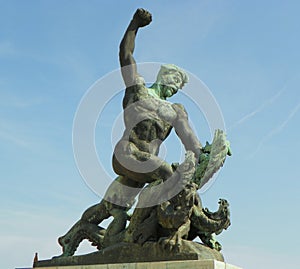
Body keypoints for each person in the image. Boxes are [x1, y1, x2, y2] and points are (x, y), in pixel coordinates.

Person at [57, 8, 204, 256]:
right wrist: (135, 24)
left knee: (109, 207)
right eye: (174, 83)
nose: (175, 89)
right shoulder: (138, 89)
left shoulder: (176, 111)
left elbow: (191, 141)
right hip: (128, 154)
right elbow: (125, 55)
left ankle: (70, 238)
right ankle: (161, 232)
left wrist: (206, 155)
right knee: (168, 172)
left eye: (179, 87)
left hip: (144, 169)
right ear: (165, 77)